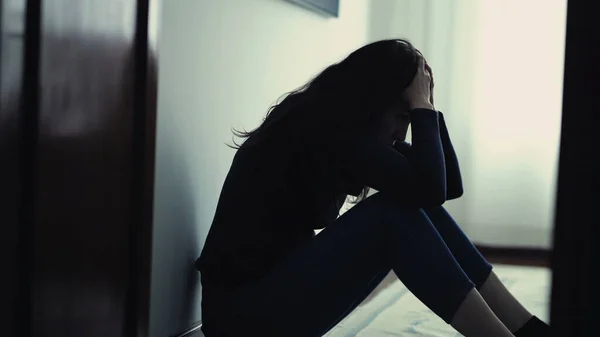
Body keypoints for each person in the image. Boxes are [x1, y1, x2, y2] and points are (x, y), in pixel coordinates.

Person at [195, 39, 551, 337]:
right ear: (375, 102)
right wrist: (423, 106)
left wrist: (426, 107)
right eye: (403, 117)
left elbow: (447, 187)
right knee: (391, 214)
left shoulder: (343, 128)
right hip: (240, 319)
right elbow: (432, 187)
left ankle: (527, 329)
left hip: (268, 302)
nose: (404, 133)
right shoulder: (326, 129)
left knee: (412, 203)